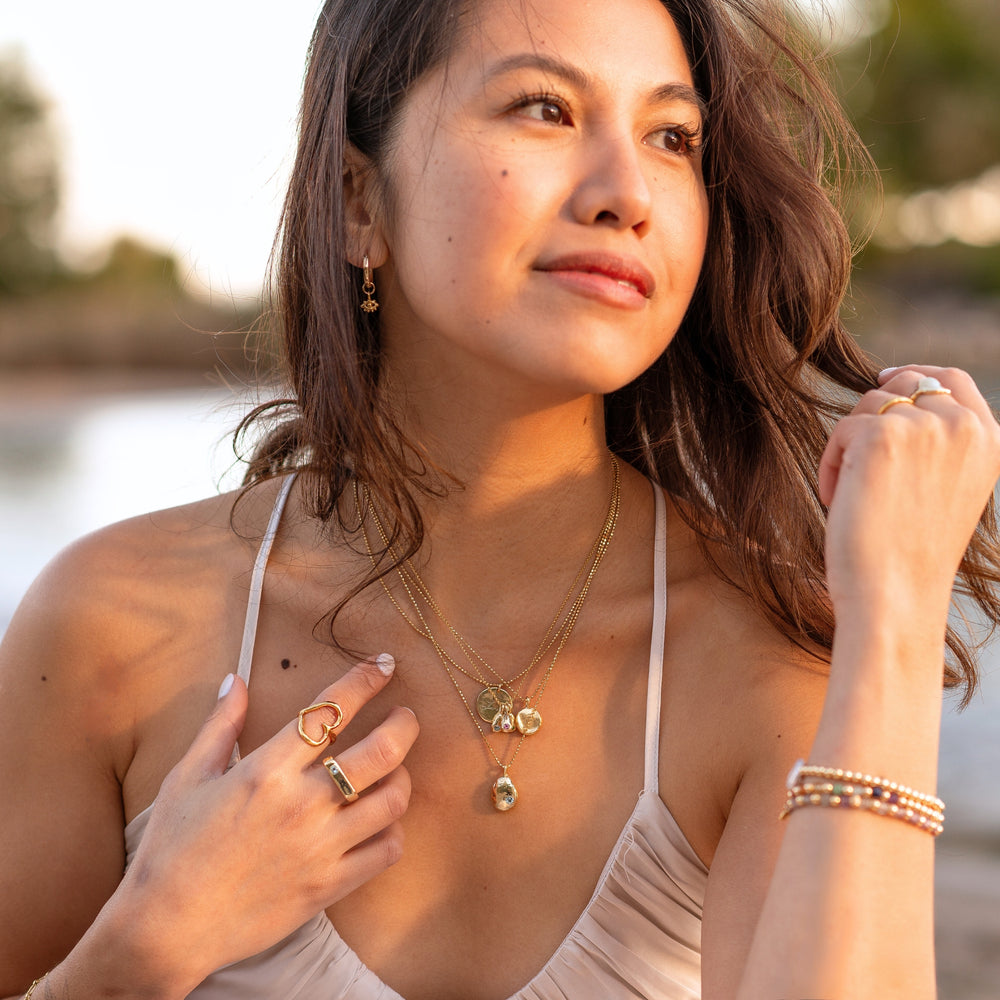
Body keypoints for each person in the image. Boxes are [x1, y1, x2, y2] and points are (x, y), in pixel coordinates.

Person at [2, 0, 999, 997]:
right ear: (358, 201)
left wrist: (897, 625)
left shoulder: (754, 655)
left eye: (671, 136)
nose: (627, 193)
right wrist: (138, 952)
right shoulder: (108, 631)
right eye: (543, 109)